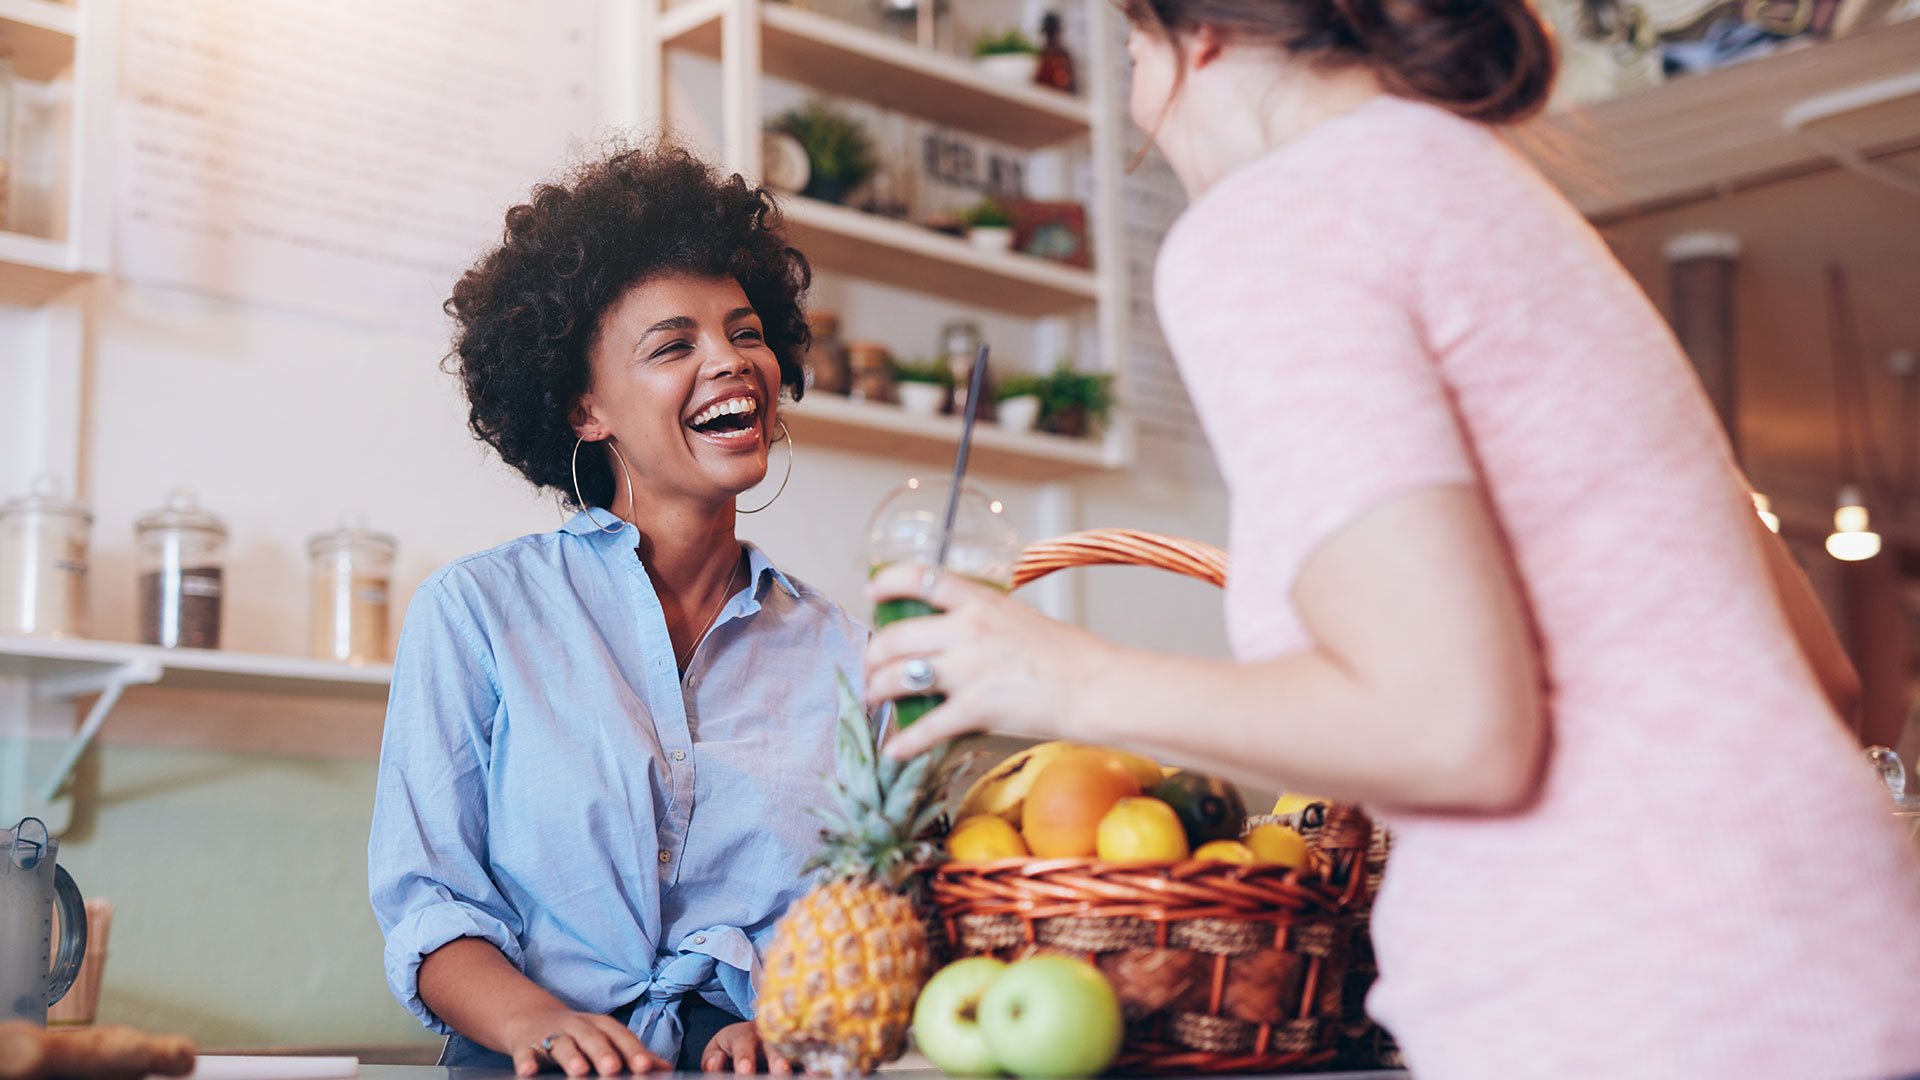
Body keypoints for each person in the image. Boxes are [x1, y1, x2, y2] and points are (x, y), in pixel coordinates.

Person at [865, 3, 1920, 1076]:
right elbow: (1825, 682)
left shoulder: (1276, 222)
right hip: (1839, 967)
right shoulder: (1511, 205)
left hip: (1637, 1000)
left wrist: (1065, 681)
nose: (1138, 98)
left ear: (1206, 34)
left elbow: (1456, 729)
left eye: (1134, 53)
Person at [370, 145, 862, 1078]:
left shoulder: (846, 654)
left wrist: (771, 1021)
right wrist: (537, 1023)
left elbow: (855, 916)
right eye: (674, 345)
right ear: (585, 406)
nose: (730, 362)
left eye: (746, 331)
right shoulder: (475, 614)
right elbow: (431, 907)